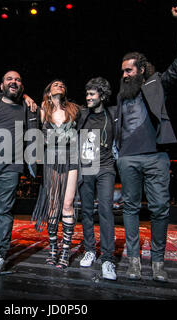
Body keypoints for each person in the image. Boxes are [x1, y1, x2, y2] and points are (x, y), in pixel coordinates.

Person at [114, 6, 177, 282]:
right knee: (131, 209)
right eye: (122, 71)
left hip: (156, 157)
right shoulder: (122, 97)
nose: (124, 75)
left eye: (128, 70)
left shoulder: (156, 84)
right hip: (128, 159)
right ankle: (134, 260)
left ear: (141, 69)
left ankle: (157, 261)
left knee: (160, 208)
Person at [0, 70, 39, 275]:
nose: (14, 81)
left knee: (4, 211)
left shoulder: (27, 108)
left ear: (22, 86)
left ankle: (1, 252)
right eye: (9, 79)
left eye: (18, 79)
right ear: (1, 85)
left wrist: (27, 98)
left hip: (11, 167)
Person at [32, 79, 80, 270]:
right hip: (51, 159)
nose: (59, 85)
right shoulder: (43, 109)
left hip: (71, 158)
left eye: (62, 84)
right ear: (49, 91)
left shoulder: (74, 109)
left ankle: (66, 251)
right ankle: (53, 249)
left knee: (67, 204)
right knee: (53, 205)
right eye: (55, 84)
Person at [76, 77, 117, 280]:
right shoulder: (82, 114)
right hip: (86, 166)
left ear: (102, 95)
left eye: (92, 94)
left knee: (106, 209)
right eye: (87, 94)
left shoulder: (113, 114)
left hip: (106, 166)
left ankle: (108, 258)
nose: (88, 97)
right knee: (86, 209)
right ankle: (90, 249)